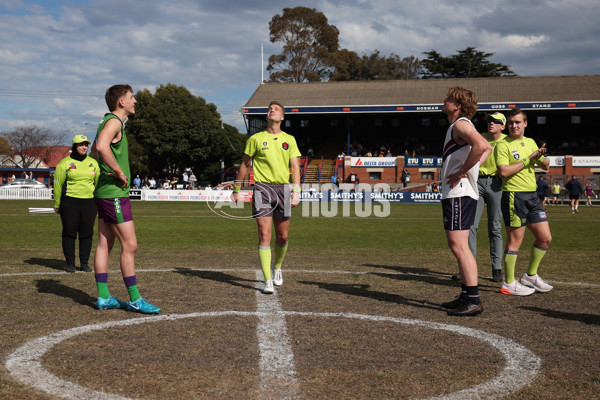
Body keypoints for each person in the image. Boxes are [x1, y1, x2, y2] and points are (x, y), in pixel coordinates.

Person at [92, 84, 160, 314]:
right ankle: (134, 299)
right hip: (114, 194)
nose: (135, 101)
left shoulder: (106, 121)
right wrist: (120, 173)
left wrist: (105, 169)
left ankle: (103, 297)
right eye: (132, 97)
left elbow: (95, 150)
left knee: (105, 243)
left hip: (104, 192)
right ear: (121, 102)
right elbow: (101, 147)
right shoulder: (114, 122)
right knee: (130, 245)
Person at [232, 100, 301, 294]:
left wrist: (297, 191)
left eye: (276, 110)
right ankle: (267, 280)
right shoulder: (255, 139)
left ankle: (277, 267)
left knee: (283, 236)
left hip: (283, 189)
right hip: (262, 189)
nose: (272, 111)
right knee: (264, 235)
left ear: (282, 117)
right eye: (270, 109)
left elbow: (295, 167)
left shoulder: (290, 139)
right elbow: (245, 165)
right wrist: (237, 188)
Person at [439, 87, 492, 316]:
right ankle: (466, 295)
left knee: (459, 246)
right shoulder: (459, 126)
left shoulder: (461, 124)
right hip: (458, 192)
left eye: (449, 99)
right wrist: (471, 169)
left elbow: (481, 146)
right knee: (458, 245)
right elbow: (488, 148)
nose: (444, 101)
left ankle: (473, 299)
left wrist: (464, 170)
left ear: (457, 105)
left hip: (459, 193)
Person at [495, 108, 553, 296]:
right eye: (511, 122)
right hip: (514, 195)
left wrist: (541, 157)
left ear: (525, 124)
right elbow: (503, 172)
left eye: (517, 122)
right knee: (515, 242)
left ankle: (530, 275)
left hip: (532, 196)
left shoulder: (530, 142)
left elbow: (546, 166)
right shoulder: (503, 145)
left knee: (545, 238)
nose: (514, 125)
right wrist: (529, 159)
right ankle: (509, 283)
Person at [466, 112, 507, 283]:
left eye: (496, 121)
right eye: (490, 120)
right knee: (470, 226)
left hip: (497, 184)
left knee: (495, 227)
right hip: (477, 182)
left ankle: (496, 268)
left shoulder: (507, 141)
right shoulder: (479, 137)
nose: (491, 123)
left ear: (502, 126)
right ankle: (469, 268)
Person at [53, 134, 99, 273]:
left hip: (89, 203)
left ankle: (84, 263)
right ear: (74, 146)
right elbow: (58, 185)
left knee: (87, 233)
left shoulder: (93, 163)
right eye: (80, 144)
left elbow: (98, 183)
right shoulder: (64, 163)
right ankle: (70, 264)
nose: (84, 147)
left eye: (86, 144)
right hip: (69, 202)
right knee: (69, 233)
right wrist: (57, 204)